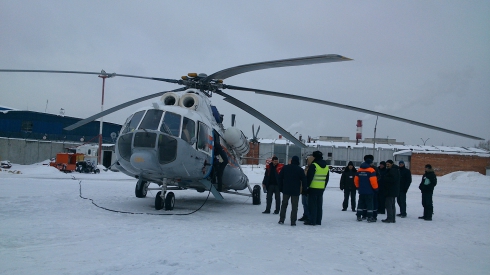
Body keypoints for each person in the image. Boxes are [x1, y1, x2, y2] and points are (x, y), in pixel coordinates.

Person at [277, 156, 307, 226]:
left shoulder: (285, 168)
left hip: (286, 189)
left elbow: (280, 178)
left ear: (292, 160)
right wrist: (304, 189)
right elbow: (304, 180)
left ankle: (281, 219)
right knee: (294, 206)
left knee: (284, 205)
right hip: (295, 190)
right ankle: (293, 221)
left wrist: (280, 187)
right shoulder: (300, 170)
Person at [305, 151, 329, 225]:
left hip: (313, 188)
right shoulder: (326, 166)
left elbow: (309, 177)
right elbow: (327, 179)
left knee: (312, 205)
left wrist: (306, 187)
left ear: (314, 157)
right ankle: (318, 220)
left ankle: (312, 220)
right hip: (321, 188)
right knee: (319, 205)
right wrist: (323, 187)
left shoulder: (314, 165)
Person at [354, 155, 378, 223]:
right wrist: (376, 189)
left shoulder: (359, 170)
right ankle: (370, 217)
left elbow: (356, 180)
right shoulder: (371, 170)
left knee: (360, 203)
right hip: (369, 190)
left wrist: (358, 187)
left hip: (361, 190)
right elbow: (373, 181)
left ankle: (359, 216)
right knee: (370, 204)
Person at [298, 155, 314, 222]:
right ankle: (305, 215)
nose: (307, 162)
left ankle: (308, 216)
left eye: (308, 161)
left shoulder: (312, 168)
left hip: (308, 188)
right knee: (304, 203)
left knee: (307, 203)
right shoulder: (306, 168)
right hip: (303, 187)